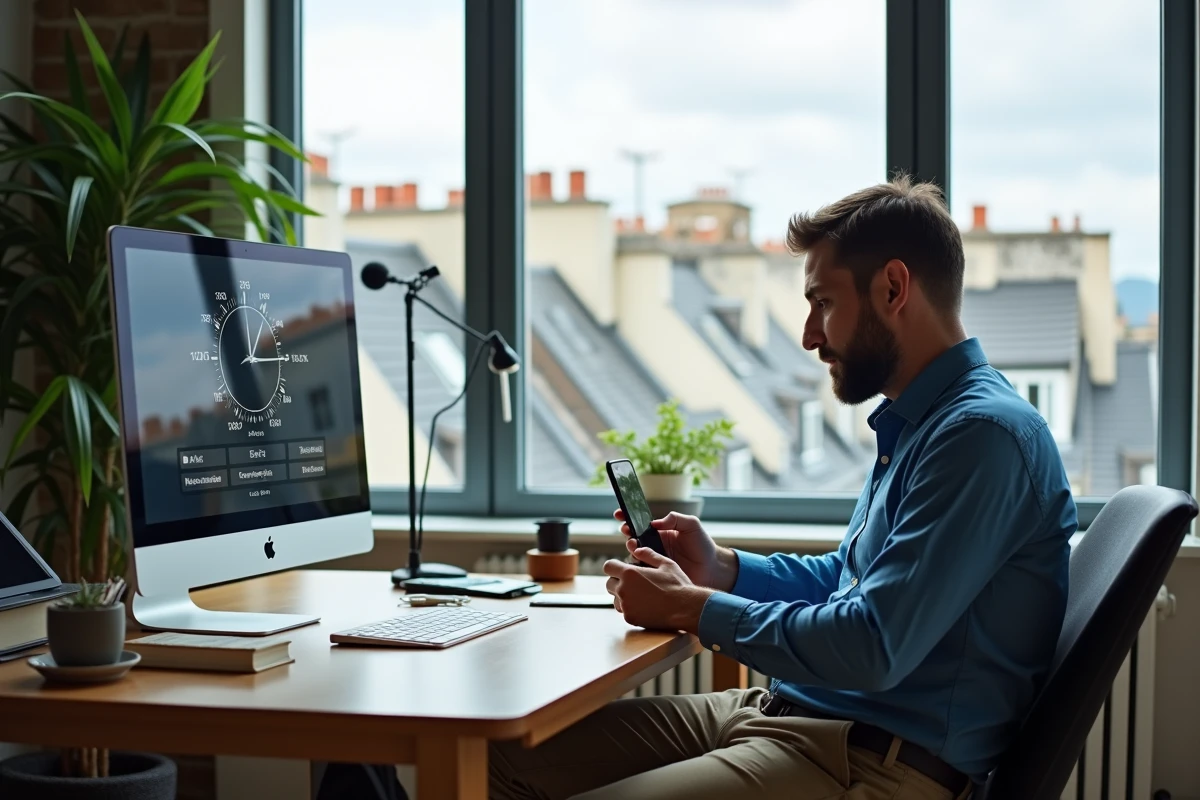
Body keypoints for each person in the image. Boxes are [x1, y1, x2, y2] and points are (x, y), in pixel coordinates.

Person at [489, 175, 1076, 800]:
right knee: (502, 760)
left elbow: (872, 642)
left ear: (893, 288)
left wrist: (692, 607)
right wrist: (724, 570)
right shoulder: (922, 422)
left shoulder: (981, 437)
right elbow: (849, 582)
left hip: (876, 762)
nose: (808, 335)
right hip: (791, 716)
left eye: (822, 302)